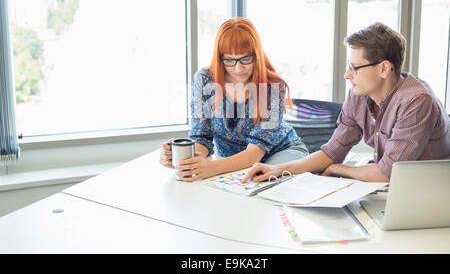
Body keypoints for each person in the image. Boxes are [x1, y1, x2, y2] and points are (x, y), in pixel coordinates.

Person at [243, 22, 450, 183]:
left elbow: (388, 172)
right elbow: (333, 151)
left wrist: (338, 169)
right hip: (395, 188)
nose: (346, 75)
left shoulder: (416, 101)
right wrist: (280, 169)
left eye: (354, 68)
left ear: (384, 69)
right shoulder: (358, 94)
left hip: (430, 195)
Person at [160, 17, 308, 181]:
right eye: (230, 60)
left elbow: (254, 153)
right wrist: (182, 158)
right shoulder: (204, 80)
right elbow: (202, 138)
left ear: (256, 55)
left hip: (282, 153)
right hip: (233, 164)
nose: (238, 68)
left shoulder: (272, 86)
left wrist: (212, 168)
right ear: (220, 58)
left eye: (246, 59)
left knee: (260, 182)